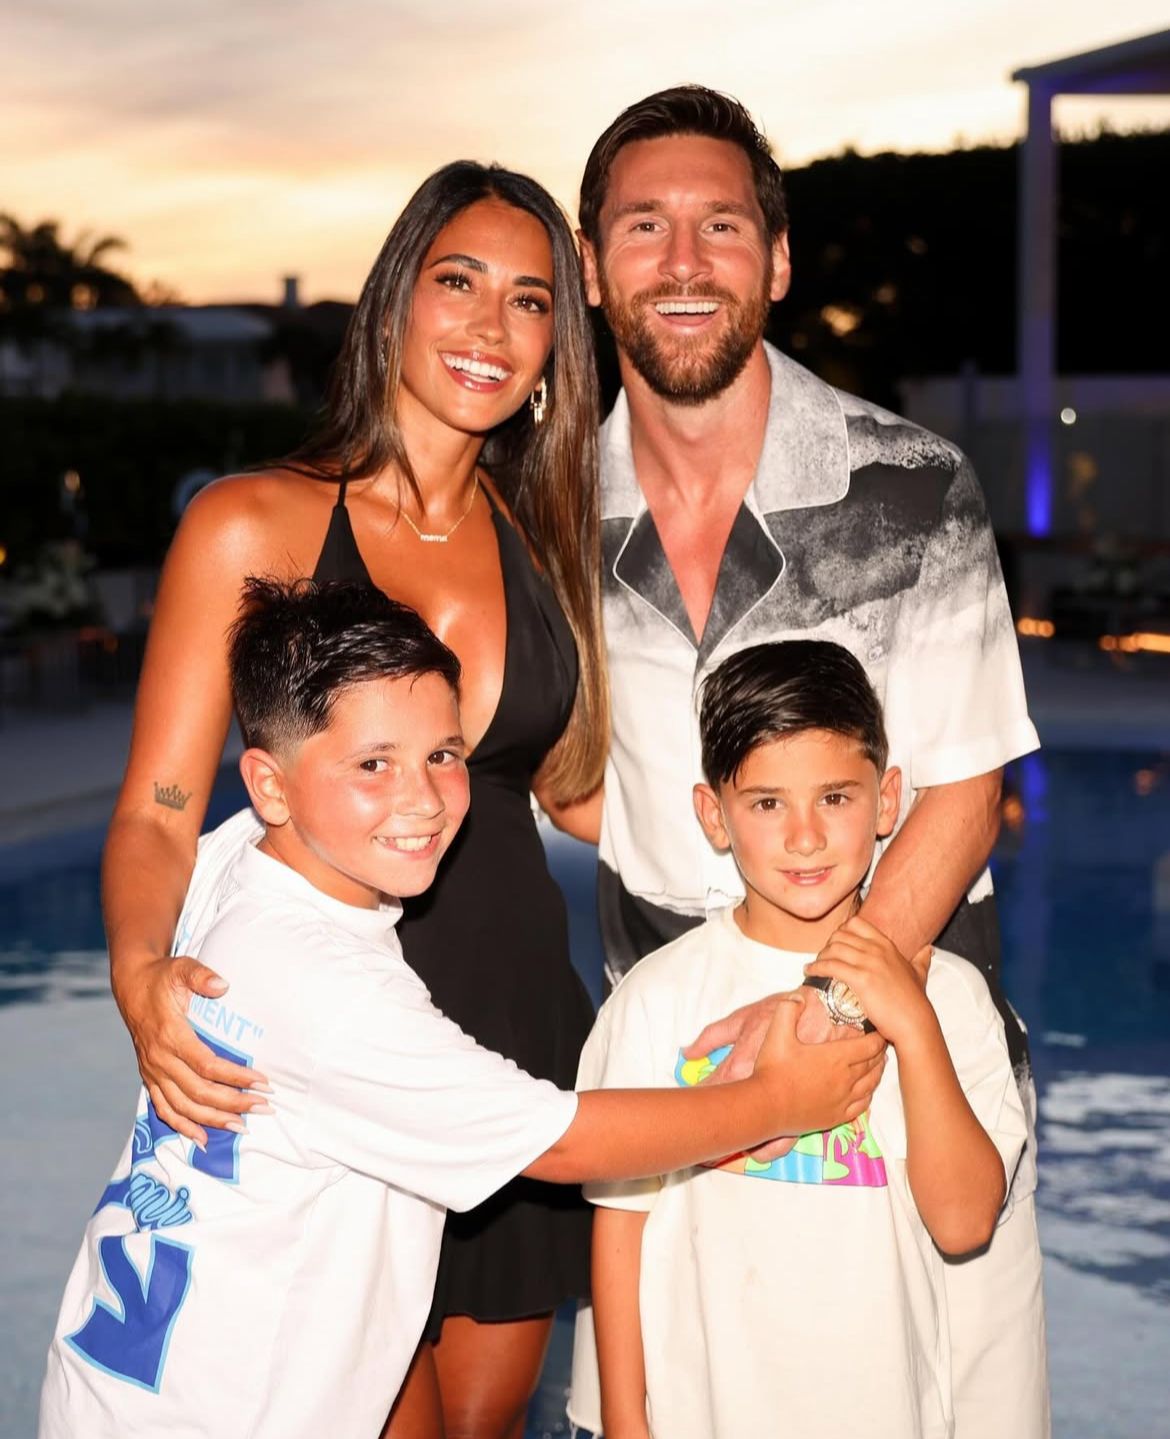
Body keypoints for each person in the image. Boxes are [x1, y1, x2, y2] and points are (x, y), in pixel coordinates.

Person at [39, 582, 888, 1439]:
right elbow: (564, 1143)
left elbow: (167, 837)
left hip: (115, 1384)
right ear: (271, 783)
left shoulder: (235, 864)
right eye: (373, 765)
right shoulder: (332, 993)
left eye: (443, 754)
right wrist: (781, 1099)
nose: (424, 798)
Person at [562, 86, 1049, 1438]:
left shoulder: (908, 483)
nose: (682, 259)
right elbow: (558, 764)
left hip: (909, 1034)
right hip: (673, 1054)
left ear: (775, 260)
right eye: (643, 225)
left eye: (721, 224)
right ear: (591, 266)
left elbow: (964, 791)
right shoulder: (549, 508)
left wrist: (822, 1005)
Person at [100, 161, 611, 1439]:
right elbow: (161, 805)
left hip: (512, 1029)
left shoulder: (546, 534)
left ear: (557, 344)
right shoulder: (251, 523)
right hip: (331, 1048)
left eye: (531, 300)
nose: (492, 326)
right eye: (459, 281)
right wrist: (138, 974)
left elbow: (577, 792)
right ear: (395, 300)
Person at [579, 639, 1028, 1439]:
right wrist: (623, 1417)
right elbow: (621, 1223)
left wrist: (912, 1024)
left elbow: (964, 1223)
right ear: (713, 815)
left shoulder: (950, 998)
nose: (806, 836)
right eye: (766, 803)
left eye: (835, 797)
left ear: (888, 800)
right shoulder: (658, 998)